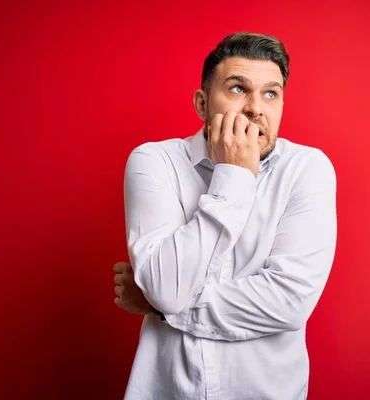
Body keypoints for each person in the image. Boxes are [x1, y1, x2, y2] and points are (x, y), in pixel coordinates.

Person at [113, 32, 337, 400]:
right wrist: (233, 176)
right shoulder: (155, 162)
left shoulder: (308, 169)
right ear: (202, 104)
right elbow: (168, 287)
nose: (255, 108)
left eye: (270, 93)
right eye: (237, 89)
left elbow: (289, 303)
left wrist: (161, 307)